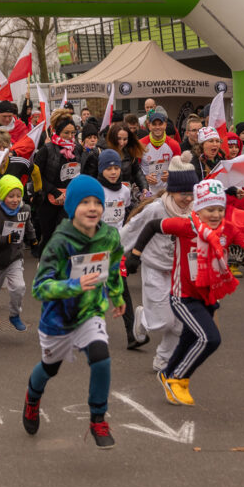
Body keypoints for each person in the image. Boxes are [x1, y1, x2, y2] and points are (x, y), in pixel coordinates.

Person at [125, 178, 244, 406]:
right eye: (209, 210)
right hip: (183, 296)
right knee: (209, 338)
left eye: (219, 210)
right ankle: (178, 378)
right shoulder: (186, 226)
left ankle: (166, 370)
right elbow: (153, 226)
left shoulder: (226, 229)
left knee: (186, 335)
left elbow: (242, 241)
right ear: (198, 209)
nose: (215, 215)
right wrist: (135, 254)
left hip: (208, 293)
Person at [21, 175, 125, 448]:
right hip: (58, 319)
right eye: (84, 203)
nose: (92, 208)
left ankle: (97, 419)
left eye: (97, 202)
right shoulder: (58, 243)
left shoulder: (109, 235)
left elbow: (112, 265)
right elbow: (39, 288)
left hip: (91, 311)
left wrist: (116, 294)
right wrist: (74, 284)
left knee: (101, 357)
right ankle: (32, 399)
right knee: (49, 369)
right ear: (71, 208)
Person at [122, 153, 198, 372]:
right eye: (183, 193)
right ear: (172, 190)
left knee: (182, 322)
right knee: (163, 321)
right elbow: (132, 229)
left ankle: (163, 359)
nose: (188, 198)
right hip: (155, 267)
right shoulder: (156, 208)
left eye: (191, 193)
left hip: (180, 271)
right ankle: (144, 316)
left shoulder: (194, 211)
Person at [96, 148, 146, 350]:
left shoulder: (125, 191)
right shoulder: (96, 189)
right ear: (101, 170)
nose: (113, 172)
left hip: (117, 248)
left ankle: (132, 335)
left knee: (122, 289)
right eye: (109, 169)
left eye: (116, 168)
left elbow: (126, 213)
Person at [0, 175, 34, 338]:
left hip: (15, 257)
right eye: (11, 196)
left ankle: (14, 315)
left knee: (19, 287)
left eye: (19, 195)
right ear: (2, 195)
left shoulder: (24, 209)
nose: (15, 199)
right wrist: (5, 239)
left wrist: (34, 240)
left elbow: (28, 224)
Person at [33, 109, 83, 256]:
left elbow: (80, 173)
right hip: (48, 199)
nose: (70, 136)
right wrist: (54, 192)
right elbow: (37, 175)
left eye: (73, 133)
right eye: (66, 133)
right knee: (48, 237)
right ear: (57, 132)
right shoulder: (46, 150)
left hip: (69, 198)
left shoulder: (78, 149)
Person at [140, 107, 182, 194]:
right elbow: (134, 170)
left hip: (167, 191)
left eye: (160, 124)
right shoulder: (141, 144)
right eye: (154, 124)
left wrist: (171, 176)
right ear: (149, 126)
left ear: (165, 125)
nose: (157, 127)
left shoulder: (174, 145)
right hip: (147, 192)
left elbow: (179, 170)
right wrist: (145, 178)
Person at [106, 123, 147, 198]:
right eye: (119, 139)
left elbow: (137, 171)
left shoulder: (130, 152)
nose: (122, 143)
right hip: (108, 196)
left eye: (125, 139)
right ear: (112, 138)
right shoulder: (102, 152)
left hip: (126, 196)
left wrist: (145, 188)